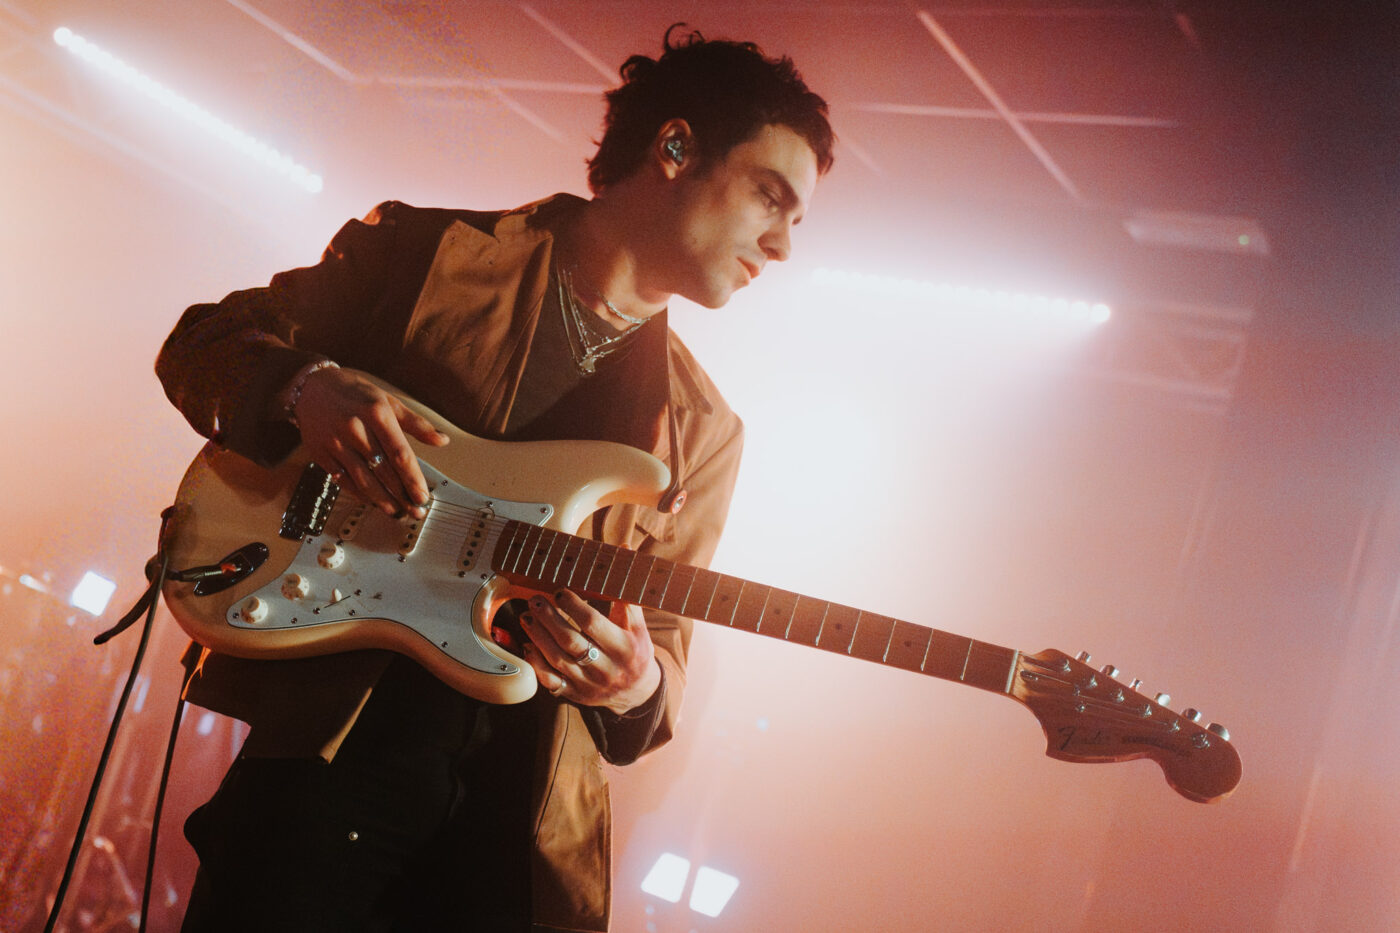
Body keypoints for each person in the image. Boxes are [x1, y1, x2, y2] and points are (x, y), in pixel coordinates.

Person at [156, 25, 833, 932]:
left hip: (512, 837)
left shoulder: (703, 432)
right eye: (770, 196)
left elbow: (664, 642)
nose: (783, 244)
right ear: (674, 148)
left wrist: (635, 682)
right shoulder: (426, 254)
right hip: (326, 779)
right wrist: (303, 388)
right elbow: (202, 341)